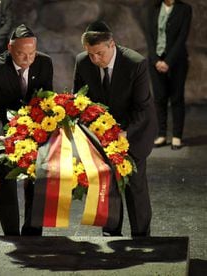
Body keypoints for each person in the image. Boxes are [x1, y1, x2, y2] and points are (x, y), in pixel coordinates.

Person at [73, 21, 157, 237]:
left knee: (135, 188)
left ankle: (141, 237)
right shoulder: (82, 62)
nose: (95, 59)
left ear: (112, 45)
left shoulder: (134, 63)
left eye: (99, 53)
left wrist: (123, 133)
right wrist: (91, 132)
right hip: (100, 136)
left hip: (133, 133)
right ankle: (110, 235)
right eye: (90, 54)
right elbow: (80, 101)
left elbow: (142, 108)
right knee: (106, 187)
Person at [0, 24, 54, 236]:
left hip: (31, 127)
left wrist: (39, 132)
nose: (27, 60)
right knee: (6, 177)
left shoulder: (44, 63)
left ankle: (33, 233)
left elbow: (46, 101)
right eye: (21, 54)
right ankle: (11, 234)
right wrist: (3, 137)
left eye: (31, 54)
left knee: (35, 176)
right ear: (9, 48)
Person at [146, 0, 192, 150]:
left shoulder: (184, 9)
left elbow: (182, 37)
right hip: (155, 62)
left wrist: (168, 61)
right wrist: (155, 60)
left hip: (176, 61)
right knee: (159, 98)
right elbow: (149, 37)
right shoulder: (153, 9)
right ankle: (162, 134)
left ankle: (177, 136)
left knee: (177, 97)